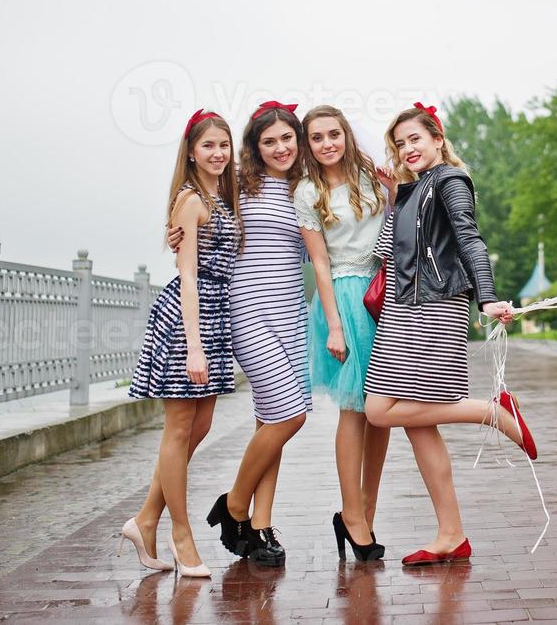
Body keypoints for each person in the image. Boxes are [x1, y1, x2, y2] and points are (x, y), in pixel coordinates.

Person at [362, 103, 537, 566]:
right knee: (419, 426)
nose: (407, 148)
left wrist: (487, 298)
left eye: (415, 139)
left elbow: (469, 237)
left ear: (438, 139)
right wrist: (393, 196)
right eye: (400, 143)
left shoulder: (449, 181)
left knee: (378, 411)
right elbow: (389, 252)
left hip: (435, 307)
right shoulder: (412, 190)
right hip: (403, 310)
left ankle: (492, 412)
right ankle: (451, 534)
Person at [170, 101, 312, 567]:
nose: (280, 147)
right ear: (254, 147)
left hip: (293, 314)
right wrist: (173, 234)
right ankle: (234, 507)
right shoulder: (240, 189)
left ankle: (260, 523)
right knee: (290, 416)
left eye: (287, 138)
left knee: (271, 420)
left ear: (299, 139)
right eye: (268, 141)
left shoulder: (308, 191)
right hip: (249, 313)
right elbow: (200, 221)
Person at [124, 109, 242, 579]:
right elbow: (188, 277)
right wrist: (194, 346)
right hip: (187, 319)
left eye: (223, 145)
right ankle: (180, 534)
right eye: (208, 146)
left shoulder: (222, 196)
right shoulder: (190, 201)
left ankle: (145, 519)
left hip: (215, 316)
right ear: (191, 152)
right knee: (178, 429)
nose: (217, 153)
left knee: (201, 425)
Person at [295, 105, 394, 561]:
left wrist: (394, 191)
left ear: (346, 135)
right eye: (316, 137)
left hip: (383, 294)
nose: (327, 143)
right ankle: (350, 515)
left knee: (383, 410)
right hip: (344, 299)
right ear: (309, 145)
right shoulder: (308, 192)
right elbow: (319, 263)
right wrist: (335, 326)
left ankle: (366, 513)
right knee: (354, 409)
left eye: (334, 133)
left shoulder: (372, 179)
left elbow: (396, 225)